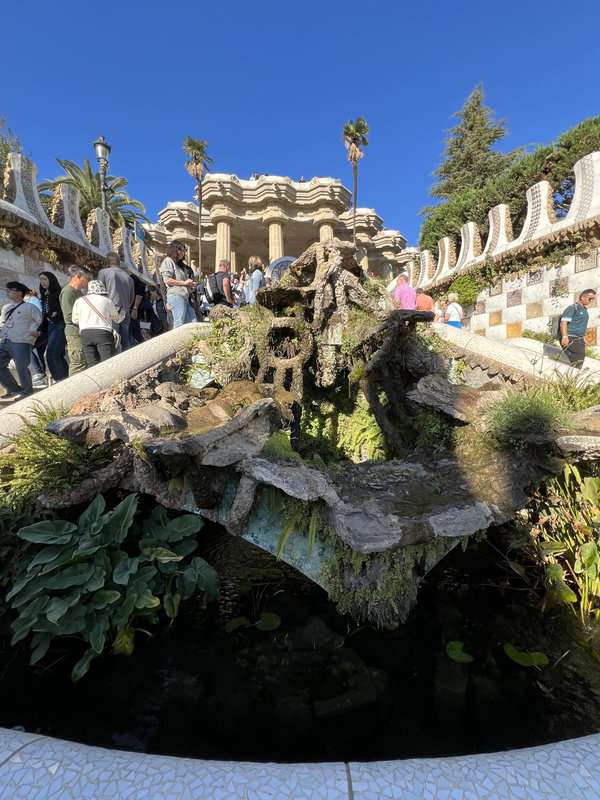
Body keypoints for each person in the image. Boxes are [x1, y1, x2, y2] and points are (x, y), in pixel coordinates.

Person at [0, 281, 42, 402]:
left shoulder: (30, 307)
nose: (7, 292)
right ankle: (13, 389)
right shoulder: (6, 308)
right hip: (5, 340)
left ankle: (27, 391)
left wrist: (32, 333)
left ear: (19, 293)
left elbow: (39, 322)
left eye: (10, 290)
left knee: (22, 367)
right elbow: (3, 324)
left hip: (22, 341)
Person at [72, 280, 122, 367]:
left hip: (85, 334)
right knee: (108, 361)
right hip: (103, 333)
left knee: (92, 364)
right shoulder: (107, 301)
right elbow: (117, 319)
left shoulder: (79, 301)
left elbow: (74, 320)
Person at [98, 251, 135, 350]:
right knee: (125, 340)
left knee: (113, 341)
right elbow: (132, 297)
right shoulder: (129, 277)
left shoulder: (103, 272)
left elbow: (99, 293)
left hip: (110, 311)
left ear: (107, 262)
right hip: (125, 311)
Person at [60, 266, 91, 376]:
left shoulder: (78, 292)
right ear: (78, 276)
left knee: (84, 362)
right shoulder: (68, 292)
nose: (88, 282)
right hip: (74, 333)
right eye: (86, 279)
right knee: (78, 363)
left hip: (81, 331)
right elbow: (68, 316)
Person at [159, 241, 197, 327]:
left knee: (193, 323)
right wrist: (184, 283)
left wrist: (190, 285)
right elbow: (167, 280)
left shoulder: (180, 266)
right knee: (179, 324)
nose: (183, 253)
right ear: (174, 249)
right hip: (176, 296)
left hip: (185, 297)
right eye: (180, 250)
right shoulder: (168, 260)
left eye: (184, 251)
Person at [39, 271, 68, 382]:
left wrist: (56, 314)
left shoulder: (57, 293)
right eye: (41, 279)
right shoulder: (44, 295)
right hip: (51, 327)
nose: (42, 282)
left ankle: (62, 379)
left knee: (53, 353)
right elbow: (45, 314)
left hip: (59, 325)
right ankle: (60, 378)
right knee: (52, 354)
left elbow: (63, 310)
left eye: (45, 279)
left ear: (51, 279)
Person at [560, 289, 597, 368]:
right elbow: (563, 322)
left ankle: (572, 376)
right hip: (571, 337)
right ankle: (574, 376)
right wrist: (564, 336)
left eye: (592, 299)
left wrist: (583, 338)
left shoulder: (584, 310)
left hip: (579, 339)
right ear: (582, 297)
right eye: (589, 299)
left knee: (578, 359)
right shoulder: (573, 308)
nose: (591, 301)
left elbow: (581, 325)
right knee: (579, 358)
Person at [24, 287, 46, 387]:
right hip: (40, 330)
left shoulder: (32, 300)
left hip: (36, 331)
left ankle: (38, 373)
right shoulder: (34, 300)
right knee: (39, 352)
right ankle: (42, 375)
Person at [129, 273, 147, 345]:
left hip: (133, 310)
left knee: (135, 333)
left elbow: (139, 293)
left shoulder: (132, 278)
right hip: (135, 310)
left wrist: (135, 308)